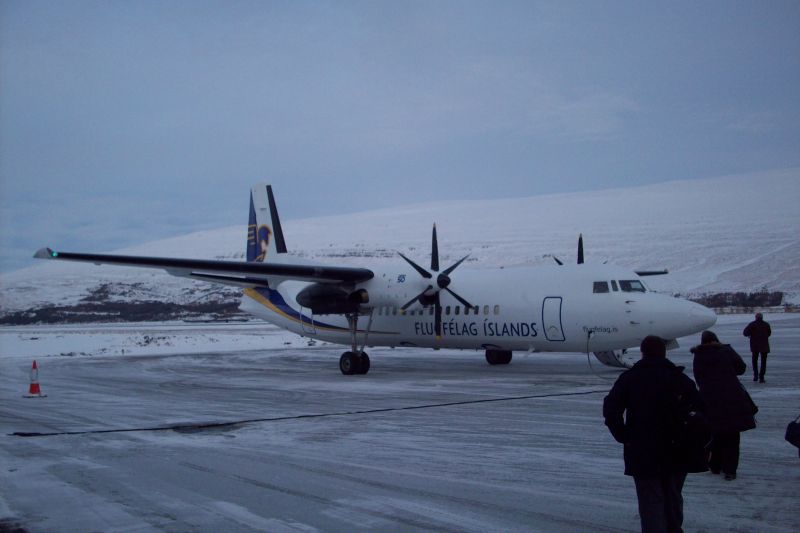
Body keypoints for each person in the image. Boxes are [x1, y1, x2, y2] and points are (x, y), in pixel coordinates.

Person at [604, 335, 705, 533]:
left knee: (651, 501)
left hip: (643, 450)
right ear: (664, 352)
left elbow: (611, 409)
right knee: (673, 496)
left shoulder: (630, 378)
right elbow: (701, 411)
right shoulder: (680, 378)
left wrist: (623, 435)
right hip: (677, 449)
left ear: (642, 352)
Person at [691, 330, 757, 480]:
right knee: (733, 436)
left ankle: (715, 465)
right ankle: (730, 470)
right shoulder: (725, 351)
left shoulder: (699, 355)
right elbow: (741, 368)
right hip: (731, 397)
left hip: (710, 399)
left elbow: (698, 377)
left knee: (717, 432)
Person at [743, 313, 771, 383]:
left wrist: (750, 334)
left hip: (754, 346)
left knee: (754, 361)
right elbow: (769, 333)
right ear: (762, 317)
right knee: (763, 362)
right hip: (764, 345)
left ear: (756, 317)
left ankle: (755, 375)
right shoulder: (766, 324)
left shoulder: (752, 324)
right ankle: (761, 377)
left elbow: (745, 333)